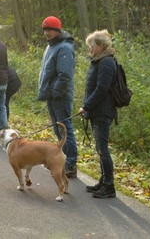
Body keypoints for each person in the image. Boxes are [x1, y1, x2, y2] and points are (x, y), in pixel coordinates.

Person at [37, 16, 78, 178]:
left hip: (60, 96)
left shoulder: (65, 48)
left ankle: (71, 164)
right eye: (45, 30)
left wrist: (55, 91)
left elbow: (65, 75)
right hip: (52, 95)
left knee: (65, 128)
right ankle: (63, 160)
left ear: (57, 30)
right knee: (57, 128)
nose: (47, 33)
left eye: (50, 30)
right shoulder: (51, 46)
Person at [79, 29, 117, 198]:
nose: (90, 50)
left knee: (102, 149)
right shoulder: (98, 61)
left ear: (101, 46)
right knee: (100, 148)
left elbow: (101, 89)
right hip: (97, 111)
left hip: (103, 112)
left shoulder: (107, 63)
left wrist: (86, 106)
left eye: (92, 46)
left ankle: (109, 186)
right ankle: (103, 181)